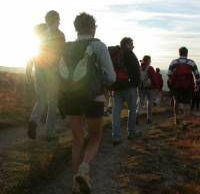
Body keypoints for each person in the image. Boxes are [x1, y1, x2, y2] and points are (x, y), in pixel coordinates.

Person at [61, 12, 115, 193]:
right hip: (94, 98)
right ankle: (84, 169)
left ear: (76, 28)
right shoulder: (99, 46)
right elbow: (111, 77)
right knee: (95, 138)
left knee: (77, 140)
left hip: (70, 97)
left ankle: (74, 184)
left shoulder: (66, 47)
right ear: (93, 28)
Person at [27, 10, 66, 139]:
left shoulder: (41, 33)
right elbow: (62, 54)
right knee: (53, 102)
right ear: (57, 20)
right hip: (52, 71)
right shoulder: (60, 34)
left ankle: (34, 120)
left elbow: (34, 52)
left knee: (41, 100)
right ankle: (50, 133)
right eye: (58, 19)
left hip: (39, 69)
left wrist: (29, 70)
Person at [109, 37, 140, 145]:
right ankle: (131, 132)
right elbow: (136, 69)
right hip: (129, 87)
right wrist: (136, 84)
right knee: (132, 110)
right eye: (132, 44)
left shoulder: (114, 53)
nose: (133, 46)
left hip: (116, 87)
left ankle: (116, 136)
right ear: (127, 44)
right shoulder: (129, 53)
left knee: (116, 112)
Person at [168, 46, 200, 125]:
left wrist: (173, 82)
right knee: (187, 103)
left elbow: (169, 74)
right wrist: (197, 85)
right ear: (187, 53)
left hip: (176, 86)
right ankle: (185, 121)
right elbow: (197, 75)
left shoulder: (174, 62)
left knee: (176, 101)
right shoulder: (191, 62)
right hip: (188, 86)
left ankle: (176, 118)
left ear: (179, 53)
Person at [136, 55, 158, 124]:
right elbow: (154, 79)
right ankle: (149, 119)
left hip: (140, 88)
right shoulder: (150, 68)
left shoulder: (139, 67)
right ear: (148, 60)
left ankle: (137, 114)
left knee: (140, 102)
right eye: (150, 60)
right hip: (150, 88)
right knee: (150, 103)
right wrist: (156, 87)